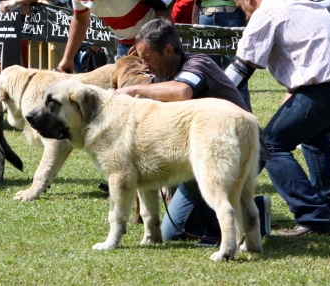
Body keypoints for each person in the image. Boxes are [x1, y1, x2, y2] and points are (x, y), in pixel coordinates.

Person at [230, 0, 330, 236]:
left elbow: (240, 70)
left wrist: (206, 97)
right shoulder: (301, 3)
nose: (245, 15)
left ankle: (313, 216)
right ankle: (328, 213)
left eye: (242, 8)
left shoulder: (264, 13)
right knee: (313, 136)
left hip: (328, 89)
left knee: (270, 144)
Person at [113, 18, 270, 244]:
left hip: (236, 150)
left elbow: (183, 91)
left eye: (147, 58)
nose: (144, 66)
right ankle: (251, 210)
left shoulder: (198, 64)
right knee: (172, 232)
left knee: (205, 188)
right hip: (201, 157)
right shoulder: (161, 78)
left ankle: (222, 230)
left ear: (168, 50)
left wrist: (134, 88)